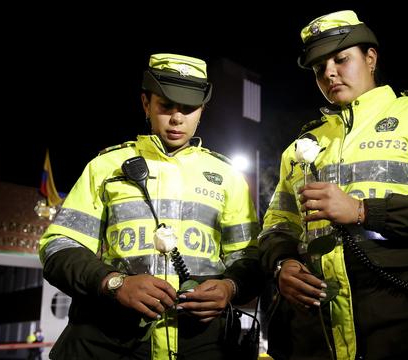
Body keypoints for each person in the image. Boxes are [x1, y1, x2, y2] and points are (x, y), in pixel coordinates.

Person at [259, 10, 408, 360]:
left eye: (340, 59)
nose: (329, 73)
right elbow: (276, 227)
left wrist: (363, 211)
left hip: (405, 323)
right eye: (319, 68)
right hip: (317, 331)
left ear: (370, 57)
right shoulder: (301, 146)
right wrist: (282, 266)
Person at [39, 53, 263, 359]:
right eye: (166, 105)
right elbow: (58, 246)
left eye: (188, 108)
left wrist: (229, 288)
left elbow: (251, 258)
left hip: (201, 344)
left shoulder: (228, 177)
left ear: (202, 110)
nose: (176, 118)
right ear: (146, 103)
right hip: (111, 341)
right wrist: (115, 283)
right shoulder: (105, 166)